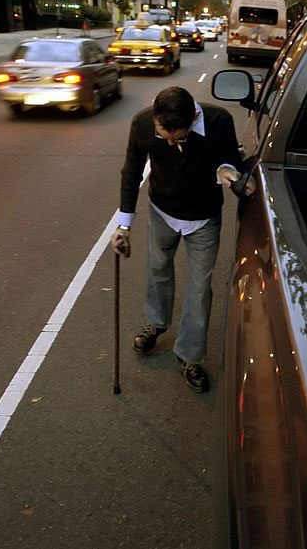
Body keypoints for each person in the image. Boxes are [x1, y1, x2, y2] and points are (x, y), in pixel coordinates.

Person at [110, 87, 255, 393]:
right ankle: (157, 323)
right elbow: (132, 172)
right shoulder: (141, 124)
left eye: (179, 135)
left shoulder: (218, 121)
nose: (171, 142)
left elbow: (230, 160)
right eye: (164, 134)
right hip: (162, 208)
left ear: (194, 117)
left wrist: (229, 173)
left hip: (203, 216)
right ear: (156, 116)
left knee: (201, 287)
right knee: (158, 269)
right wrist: (124, 226)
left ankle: (189, 355)